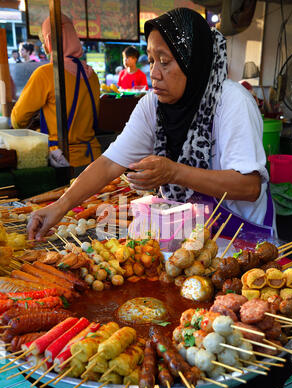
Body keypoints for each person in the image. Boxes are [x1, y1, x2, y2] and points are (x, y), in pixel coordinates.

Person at [27, 8, 275, 241]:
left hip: (241, 237)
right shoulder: (152, 105)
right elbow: (110, 163)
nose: (154, 73)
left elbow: (249, 186)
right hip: (190, 235)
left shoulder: (232, 102)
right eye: (151, 60)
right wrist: (59, 206)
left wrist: (174, 172)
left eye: (164, 62)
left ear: (193, 62)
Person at [11, 15, 101, 173]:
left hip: (63, 161)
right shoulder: (91, 74)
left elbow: (19, 119)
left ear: (49, 41)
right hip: (94, 158)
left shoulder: (47, 74)